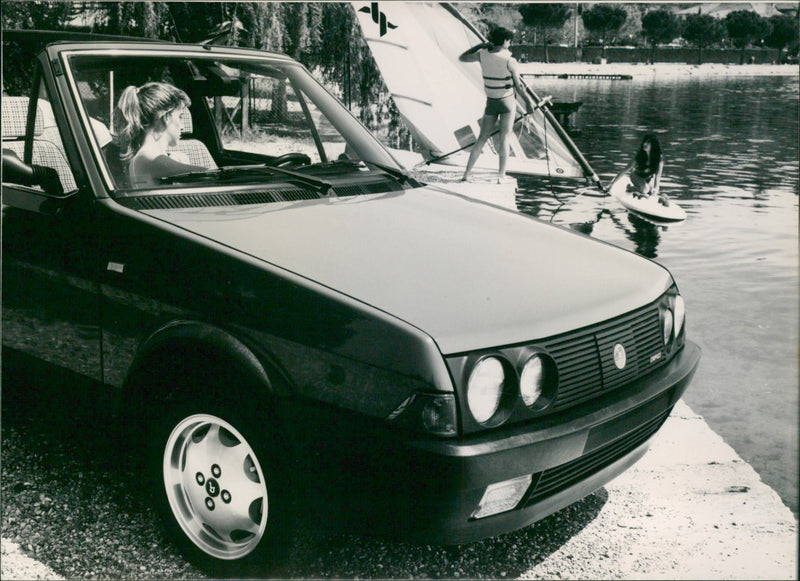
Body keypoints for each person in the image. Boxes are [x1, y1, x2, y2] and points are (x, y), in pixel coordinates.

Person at [458, 27, 536, 184]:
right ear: (505, 41)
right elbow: (519, 87)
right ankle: (501, 176)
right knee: (505, 138)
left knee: (481, 139)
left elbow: (462, 58)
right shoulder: (510, 61)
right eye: (509, 41)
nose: (510, 43)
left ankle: (466, 174)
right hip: (507, 103)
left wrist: (480, 45)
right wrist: (528, 103)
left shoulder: (482, 54)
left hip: (491, 103)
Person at [112, 82, 205, 187]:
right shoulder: (149, 158)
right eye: (180, 117)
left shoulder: (149, 158)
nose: (182, 126)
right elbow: (212, 177)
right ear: (166, 117)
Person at [611, 134, 669, 206]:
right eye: (644, 142)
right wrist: (612, 184)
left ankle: (643, 190)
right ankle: (629, 187)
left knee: (652, 191)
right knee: (644, 190)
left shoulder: (659, 158)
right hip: (636, 175)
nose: (644, 144)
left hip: (649, 178)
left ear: (653, 145)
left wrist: (655, 189)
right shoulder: (639, 155)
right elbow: (625, 170)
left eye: (648, 143)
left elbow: (657, 177)